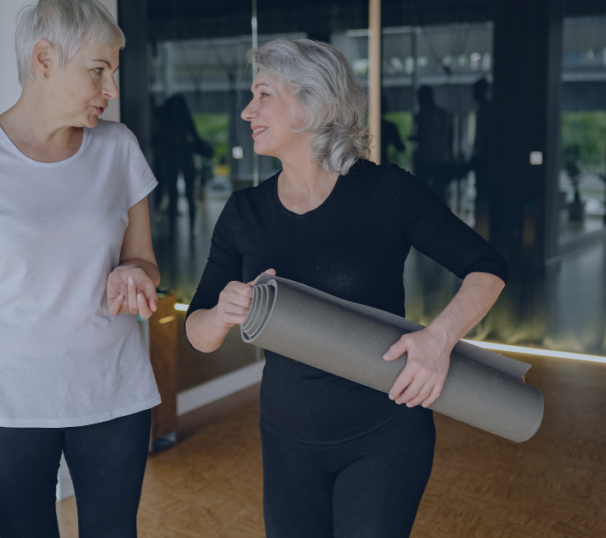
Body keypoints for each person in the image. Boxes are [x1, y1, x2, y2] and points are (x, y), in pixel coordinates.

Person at [185, 39, 508, 537]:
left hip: (386, 435)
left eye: (264, 94)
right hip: (286, 439)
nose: (247, 111)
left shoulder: (386, 192)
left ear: (312, 103)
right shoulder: (243, 213)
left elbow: (486, 267)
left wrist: (438, 339)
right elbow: (198, 332)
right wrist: (224, 311)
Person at [0, 1, 161, 536]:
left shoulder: (118, 149)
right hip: (3, 408)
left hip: (114, 396)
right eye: (98, 71)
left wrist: (136, 274)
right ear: (44, 59)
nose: (112, 89)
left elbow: (143, 260)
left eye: (113, 72)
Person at [152, 94, 213, 232]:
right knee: (188, 196)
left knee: (174, 196)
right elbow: (196, 138)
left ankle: (174, 231)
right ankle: (189, 230)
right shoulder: (183, 119)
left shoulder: (166, 120)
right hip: (184, 158)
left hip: (174, 159)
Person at [413, 85, 455, 201]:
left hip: (433, 160)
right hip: (434, 160)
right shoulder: (438, 114)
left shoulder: (429, 115)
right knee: (435, 194)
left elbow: (445, 137)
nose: (419, 100)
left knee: (431, 194)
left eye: (420, 97)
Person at [470, 78, 492, 236]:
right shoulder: (482, 108)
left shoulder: (487, 109)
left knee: (483, 191)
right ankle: (481, 225)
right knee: (481, 191)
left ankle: (483, 226)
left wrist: (479, 154)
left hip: (484, 156)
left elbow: (485, 135)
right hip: (482, 155)